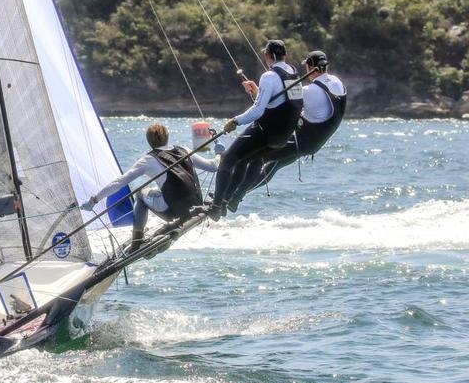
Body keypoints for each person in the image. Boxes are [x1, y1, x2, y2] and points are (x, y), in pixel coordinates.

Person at [227, 50, 347, 210]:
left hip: (303, 141)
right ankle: (236, 197)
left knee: (257, 157)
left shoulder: (309, 91)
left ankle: (233, 197)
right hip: (315, 142)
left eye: (306, 66)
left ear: (310, 67)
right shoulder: (337, 83)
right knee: (274, 165)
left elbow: (276, 105)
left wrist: (257, 93)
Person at [81, 123, 218, 252]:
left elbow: (119, 182)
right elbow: (213, 166)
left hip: (173, 212)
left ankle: (136, 241)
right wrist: (219, 154)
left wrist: (94, 200)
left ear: (148, 141)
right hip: (196, 205)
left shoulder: (148, 160)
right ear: (167, 136)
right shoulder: (184, 150)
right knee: (156, 190)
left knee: (140, 193)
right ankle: (143, 237)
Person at [210, 39, 304, 218]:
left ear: (268, 55)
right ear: (284, 54)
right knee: (250, 159)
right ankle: (229, 200)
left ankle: (216, 206)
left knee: (228, 159)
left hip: (266, 131)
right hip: (283, 136)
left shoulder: (269, 76)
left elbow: (258, 110)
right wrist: (257, 92)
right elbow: (279, 101)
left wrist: (235, 121)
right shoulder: (293, 72)